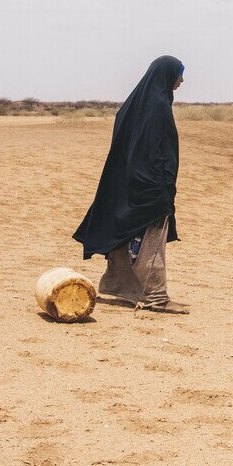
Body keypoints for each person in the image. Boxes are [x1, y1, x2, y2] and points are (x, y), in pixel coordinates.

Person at [73, 55, 189, 314]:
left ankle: (121, 286)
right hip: (151, 186)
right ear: (167, 75)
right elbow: (157, 151)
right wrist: (163, 185)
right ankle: (155, 297)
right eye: (179, 74)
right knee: (151, 239)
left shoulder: (134, 104)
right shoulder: (158, 106)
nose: (182, 80)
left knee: (130, 234)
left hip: (128, 183)